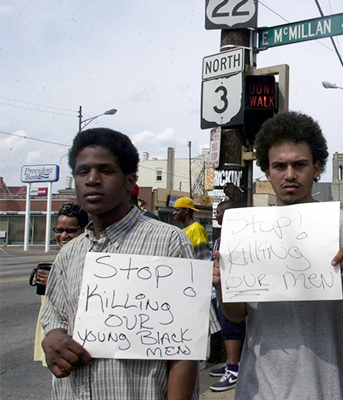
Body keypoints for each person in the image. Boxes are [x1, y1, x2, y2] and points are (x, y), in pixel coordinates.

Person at [213, 111, 343, 400]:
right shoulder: (246, 232)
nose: (289, 175)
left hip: (328, 387)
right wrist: (224, 286)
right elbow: (237, 315)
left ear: (317, 168)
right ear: (267, 172)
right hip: (259, 388)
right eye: (279, 166)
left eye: (300, 165)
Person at [40, 127, 199, 400]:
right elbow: (54, 315)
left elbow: (185, 347)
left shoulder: (168, 242)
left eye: (106, 171)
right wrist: (52, 338)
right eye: (82, 172)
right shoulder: (69, 253)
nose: (92, 180)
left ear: (129, 180)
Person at [32, 202, 89, 366]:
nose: (63, 235)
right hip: (52, 331)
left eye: (70, 231)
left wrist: (55, 281)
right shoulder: (61, 256)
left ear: (84, 230)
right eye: (59, 230)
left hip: (71, 336)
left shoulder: (88, 256)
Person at [208, 199, 246, 392]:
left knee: (232, 328)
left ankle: (233, 369)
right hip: (219, 291)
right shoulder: (219, 237)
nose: (217, 215)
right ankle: (232, 362)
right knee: (225, 326)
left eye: (220, 212)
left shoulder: (239, 237)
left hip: (234, 292)